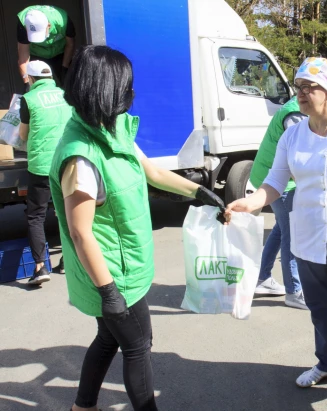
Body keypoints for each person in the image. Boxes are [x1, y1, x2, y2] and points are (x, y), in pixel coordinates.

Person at [48, 45, 226, 411]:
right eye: (125, 87)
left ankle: (83, 406)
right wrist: (109, 291)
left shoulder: (111, 129)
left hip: (126, 264)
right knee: (137, 347)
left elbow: (153, 172)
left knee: (107, 339)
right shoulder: (81, 157)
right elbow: (80, 231)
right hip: (113, 275)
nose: (131, 94)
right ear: (104, 90)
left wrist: (199, 192)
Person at [227, 57, 327, 396]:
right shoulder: (294, 134)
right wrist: (250, 203)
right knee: (319, 310)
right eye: (298, 87)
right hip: (307, 238)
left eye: (308, 87)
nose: (300, 93)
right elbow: (274, 182)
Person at [250, 70, 327, 309]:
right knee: (292, 232)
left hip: (271, 176)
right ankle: (294, 290)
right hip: (279, 181)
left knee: (280, 227)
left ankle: (263, 277)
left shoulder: (302, 110)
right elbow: (305, 157)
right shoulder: (298, 116)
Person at [18, 60, 72, 286]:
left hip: (41, 166)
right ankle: (68, 261)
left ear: (30, 79)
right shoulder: (64, 95)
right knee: (65, 212)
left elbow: (22, 135)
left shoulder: (28, 99)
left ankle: (40, 266)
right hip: (66, 162)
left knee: (36, 215)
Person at [17, 5, 76, 91]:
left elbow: (70, 44)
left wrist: (64, 69)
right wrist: (27, 83)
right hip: (36, 53)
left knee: (67, 84)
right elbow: (23, 59)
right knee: (37, 85)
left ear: (49, 25)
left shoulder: (63, 20)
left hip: (59, 52)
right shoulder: (23, 23)